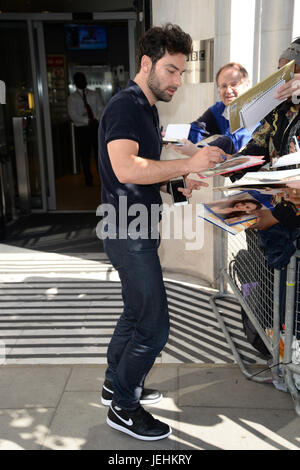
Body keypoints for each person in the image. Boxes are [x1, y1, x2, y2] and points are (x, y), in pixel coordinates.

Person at [98, 23, 229, 441]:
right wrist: (188, 165)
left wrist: (175, 183)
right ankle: (124, 406)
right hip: (126, 231)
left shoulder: (146, 107)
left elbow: (141, 175)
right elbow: (125, 168)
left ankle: (113, 384)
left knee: (135, 313)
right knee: (154, 327)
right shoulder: (126, 106)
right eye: (171, 71)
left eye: (181, 73)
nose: (177, 81)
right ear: (147, 63)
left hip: (130, 226)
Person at [234, 38, 300, 231]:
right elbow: (258, 146)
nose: (284, 78)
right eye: (281, 70)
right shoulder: (279, 109)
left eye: (293, 71)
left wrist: (276, 216)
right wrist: (230, 163)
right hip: (279, 211)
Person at [188, 62, 257, 152]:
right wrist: (170, 137)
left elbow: (232, 142)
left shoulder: (254, 109)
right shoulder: (219, 110)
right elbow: (197, 130)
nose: (228, 91)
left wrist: (196, 151)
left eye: (233, 84)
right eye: (223, 86)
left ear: (247, 85)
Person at [67, 72, 104, 186]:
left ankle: (102, 178)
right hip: (82, 129)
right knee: (85, 155)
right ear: (75, 82)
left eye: (83, 79)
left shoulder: (94, 94)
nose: (82, 81)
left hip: (95, 127)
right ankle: (88, 178)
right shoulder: (72, 98)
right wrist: (87, 121)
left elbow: (101, 108)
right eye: (79, 80)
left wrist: (96, 119)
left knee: (99, 154)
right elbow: (72, 114)